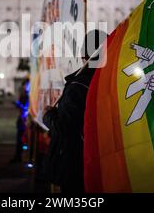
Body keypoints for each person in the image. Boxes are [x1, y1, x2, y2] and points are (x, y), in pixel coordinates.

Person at [43, 29, 106, 193]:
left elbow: (64, 127)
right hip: (100, 162)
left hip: (73, 163)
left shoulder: (78, 86)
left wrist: (48, 115)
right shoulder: (108, 82)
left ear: (83, 55)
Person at [10, 79, 30, 163]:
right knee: (20, 139)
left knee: (27, 140)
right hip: (22, 120)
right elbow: (22, 107)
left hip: (28, 121)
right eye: (25, 85)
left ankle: (27, 157)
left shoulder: (31, 95)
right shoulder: (24, 95)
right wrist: (19, 105)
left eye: (27, 85)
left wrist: (21, 106)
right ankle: (18, 156)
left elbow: (27, 108)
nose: (26, 87)